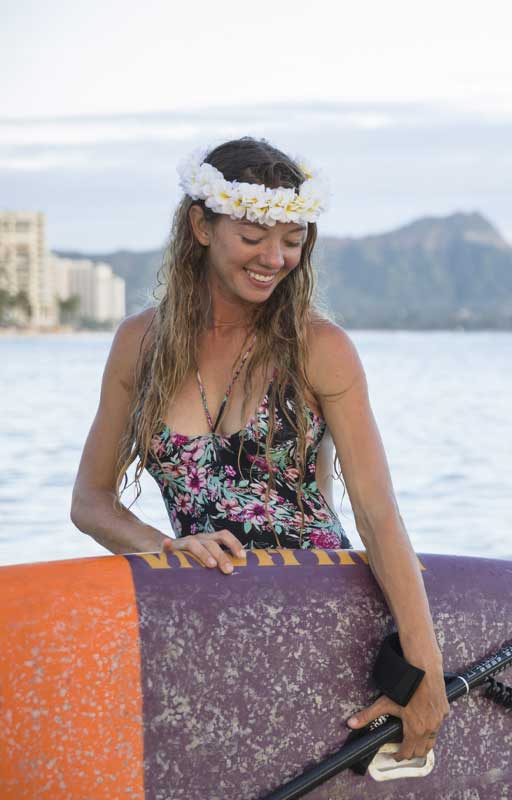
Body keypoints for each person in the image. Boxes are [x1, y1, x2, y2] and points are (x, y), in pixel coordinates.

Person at [70, 136, 449, 762]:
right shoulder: (140, 344)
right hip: (204, 621)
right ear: (201, 225)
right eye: (252, 236)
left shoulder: (319, 349)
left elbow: (378, 516)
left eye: (293, 240)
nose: (274, 257)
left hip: (324, 620)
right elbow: (90, 501)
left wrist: (424, 668)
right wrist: (164, 549)